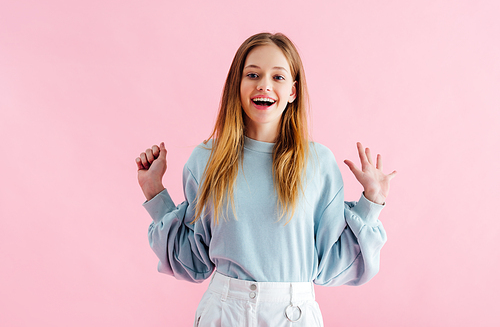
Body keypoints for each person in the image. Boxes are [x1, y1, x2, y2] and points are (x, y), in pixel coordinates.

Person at [135, 32, 397, 327]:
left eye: (278, 77)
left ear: (293, 92)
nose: (264, 85)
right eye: (253, 74)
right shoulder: (206, 159)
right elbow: (193, 261)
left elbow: (331, 265)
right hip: (224, 313)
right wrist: (154, 191)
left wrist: (371, 202)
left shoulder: (318, 163)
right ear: (238, 84)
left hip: (294, 314)